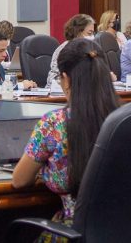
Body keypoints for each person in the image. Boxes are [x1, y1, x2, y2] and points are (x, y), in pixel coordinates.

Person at [11, 39, 121, 231]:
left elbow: (19, 180)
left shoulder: (54, 124)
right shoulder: (124, 119)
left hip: (74, 231)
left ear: (66, 79)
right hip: (127, 231)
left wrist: (45, 169)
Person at [47, 14, 95, 86]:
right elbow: (57, 77)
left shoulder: (88, 49)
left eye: (93, 33)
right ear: (78, 32)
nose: (92, 36)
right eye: (89, 33)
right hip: (60, 88)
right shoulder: (65, 49)